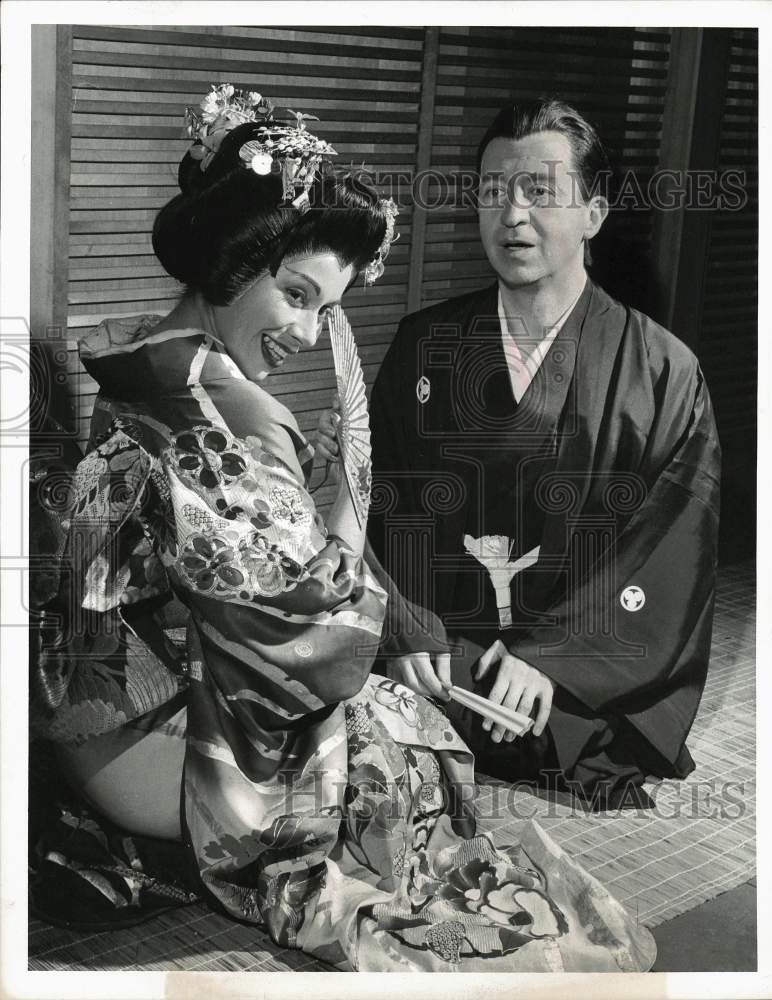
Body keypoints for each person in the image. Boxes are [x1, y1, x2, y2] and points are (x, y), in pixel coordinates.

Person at [29, 86, 656, 972]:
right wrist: (351, 492)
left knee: (397, 709)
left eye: (326, 309)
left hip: (88, 711)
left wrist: (303, 488)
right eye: (296, 294)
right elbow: (317, 634)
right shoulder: (224, 412)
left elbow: (199, 554)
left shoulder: (135, 356)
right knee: (406, 735)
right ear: (231, 257)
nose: (308, 330)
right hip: (150, 752)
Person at [360, 99, 721, 812]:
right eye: (493, 191)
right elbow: (380, 498)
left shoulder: (663, 371)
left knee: (564, 730)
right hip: (442, 649)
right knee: (355, 687)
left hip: (581, 669)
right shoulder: (424, 343)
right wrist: (406, 627)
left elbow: (670, 548)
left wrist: (550, 656)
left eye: (540, 190)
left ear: (594, 211)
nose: (512, 214)